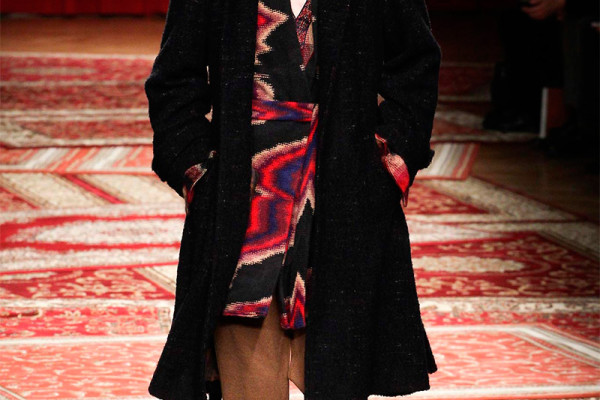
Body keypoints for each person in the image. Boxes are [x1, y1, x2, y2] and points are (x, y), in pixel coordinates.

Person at [144, 0, 441, 398]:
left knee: (339, 379)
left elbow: (416, 69)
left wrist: (388, 168)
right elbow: (174, 84)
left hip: (343, 219)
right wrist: (200, 175)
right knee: (249, 390)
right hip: (242, 227)